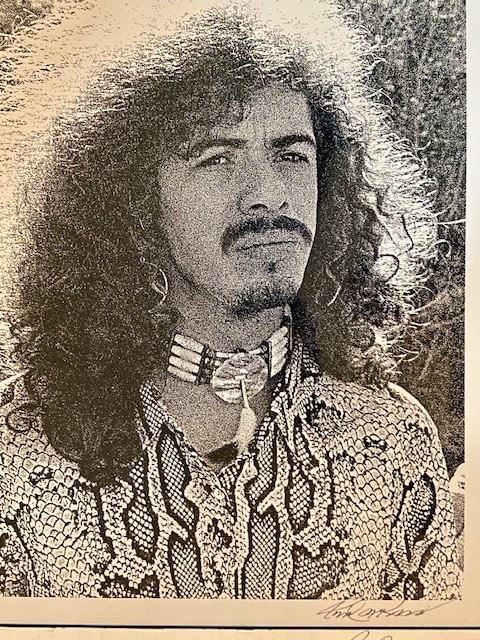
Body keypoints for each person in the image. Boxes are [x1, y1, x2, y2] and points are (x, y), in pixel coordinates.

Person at [0, 0, 461, 598]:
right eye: (217, 158)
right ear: (127, 197)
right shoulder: (19, 454)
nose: (269, 195)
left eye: (292, 156)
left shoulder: (392, 441)